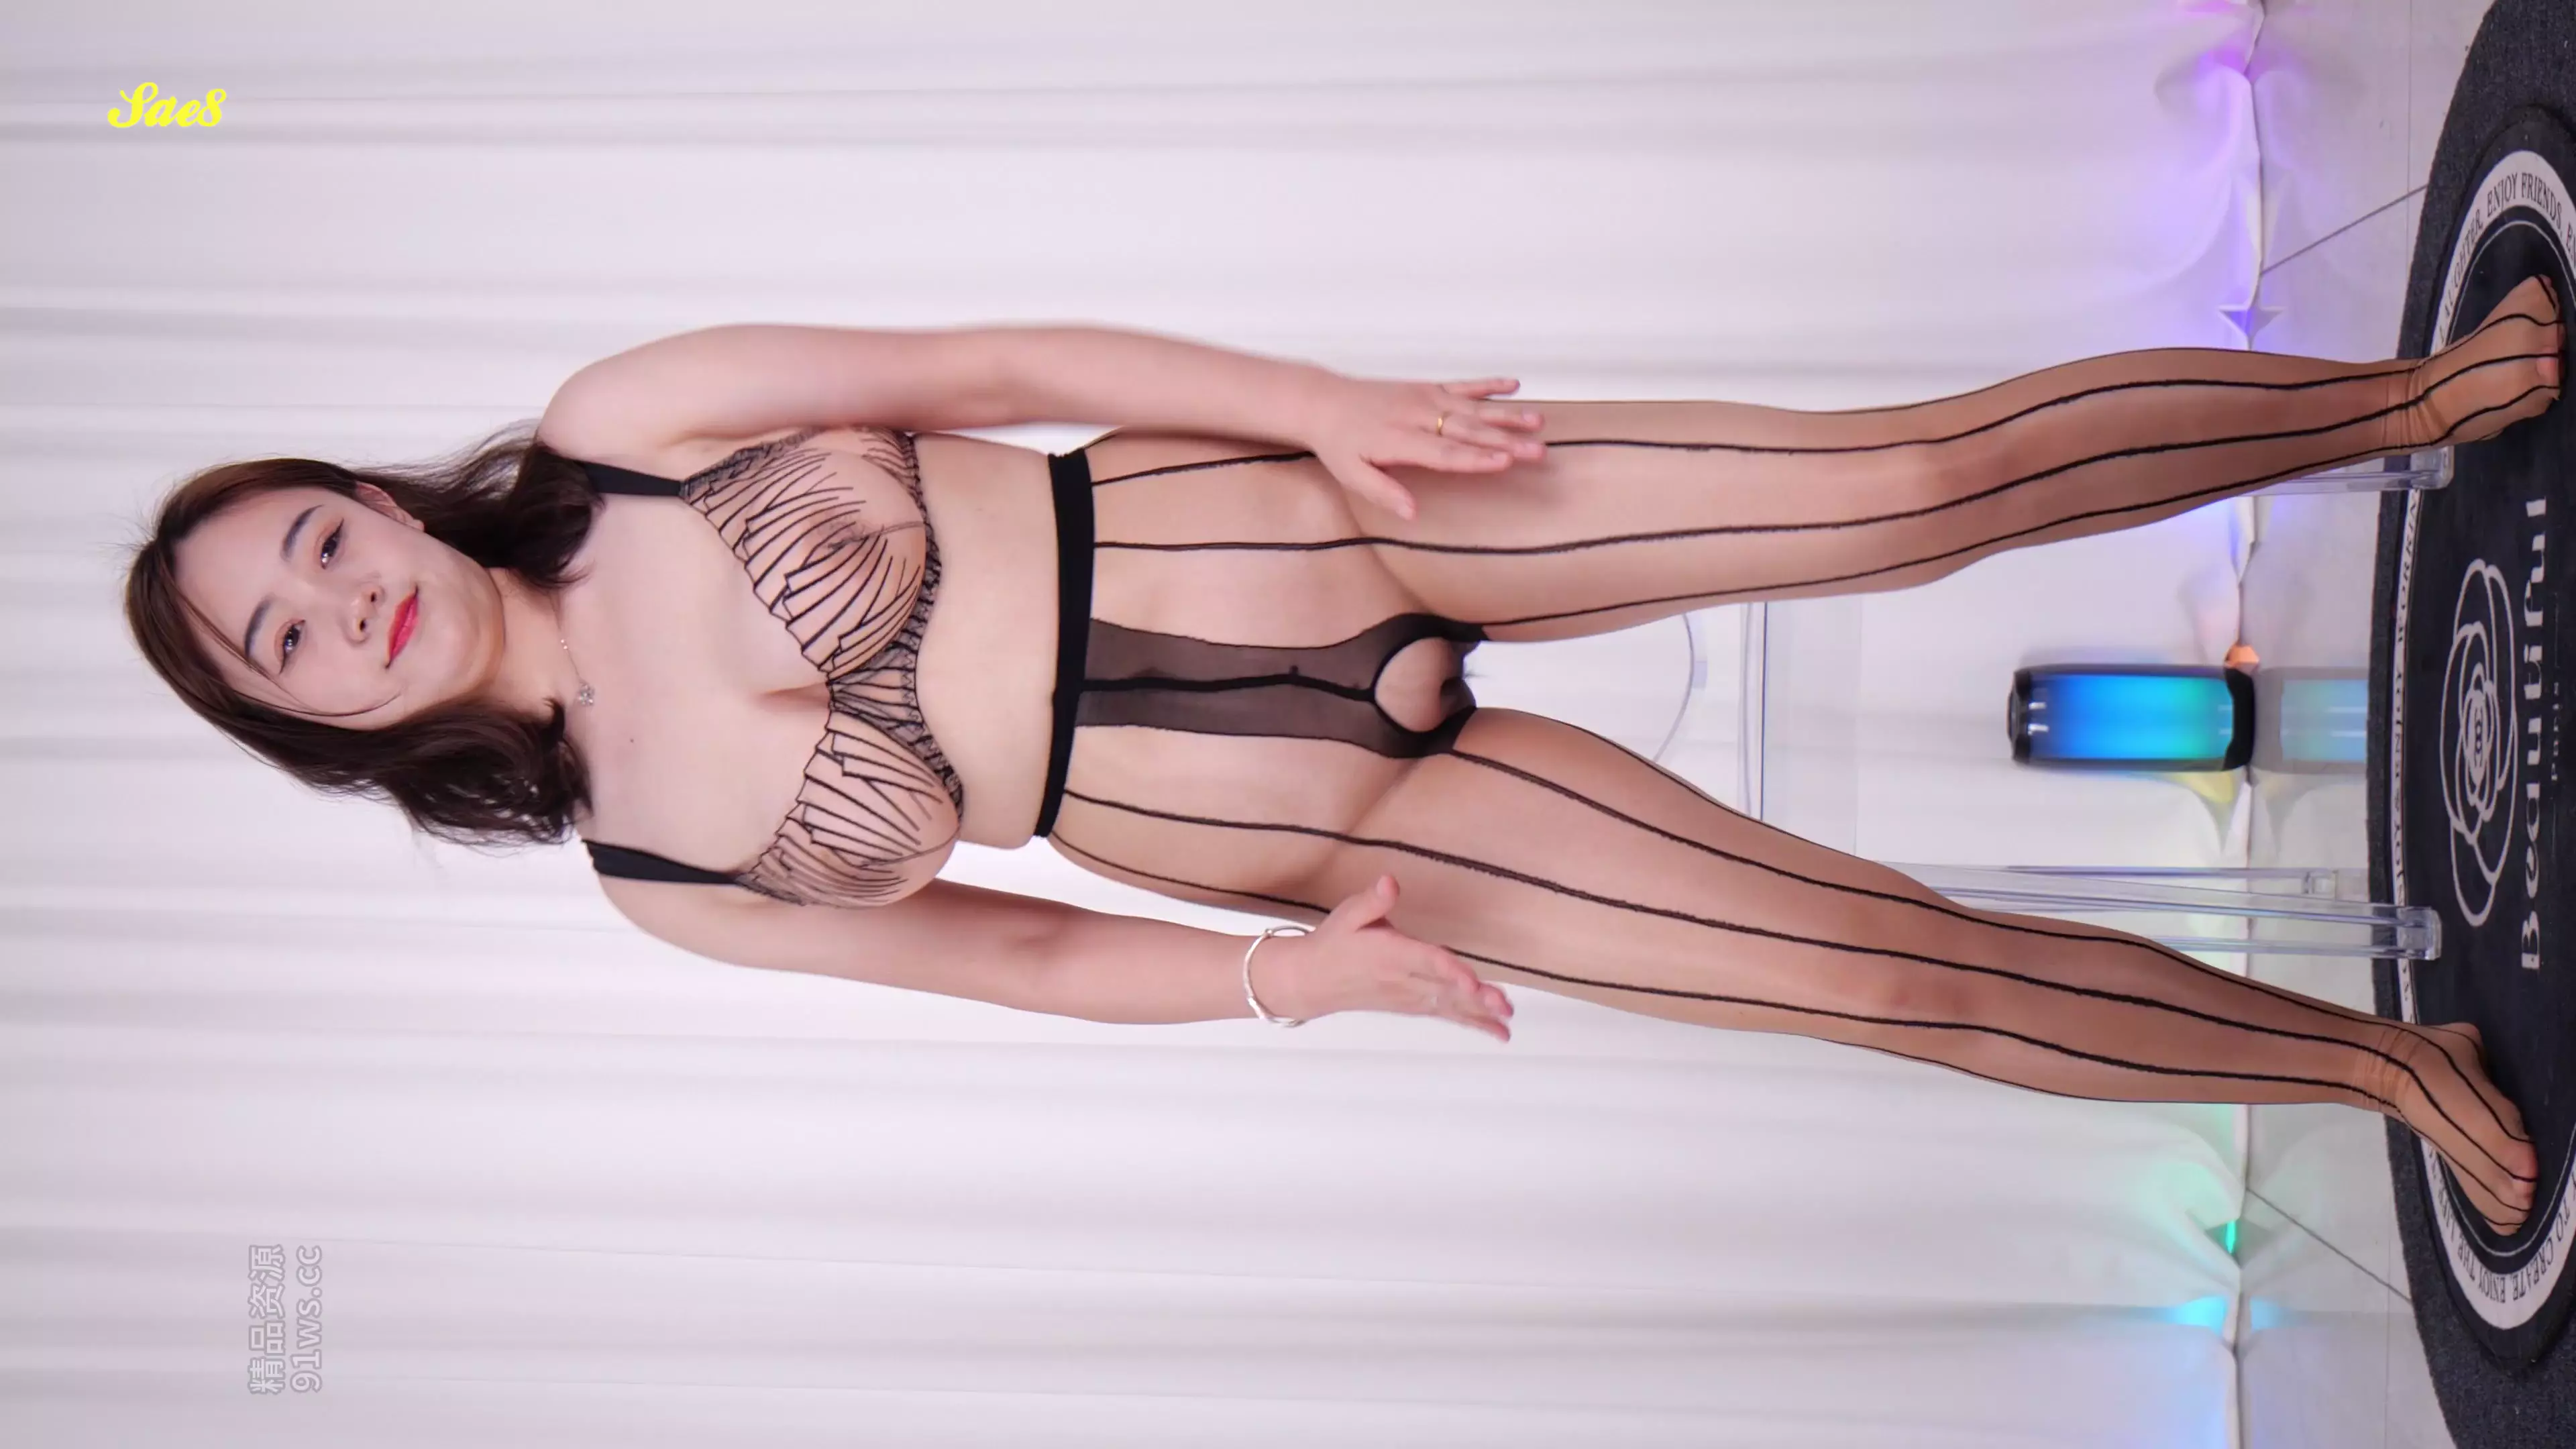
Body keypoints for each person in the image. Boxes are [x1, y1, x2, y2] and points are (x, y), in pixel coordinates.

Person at [125, 277, 2563, 1236]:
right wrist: (1284, 986)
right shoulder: (655, 876)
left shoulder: (620, 428)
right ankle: (2383, 1067)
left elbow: (984, 373)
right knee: (1889, 983)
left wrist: (1320, 398)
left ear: (375, 498)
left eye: (319, 541)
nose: (344, 602)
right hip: (1351, 834)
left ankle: (2415, 396)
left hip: (1328, 516)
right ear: (312, 721)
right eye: (288, 641)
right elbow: (1022, 963)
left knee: (1913, 485)